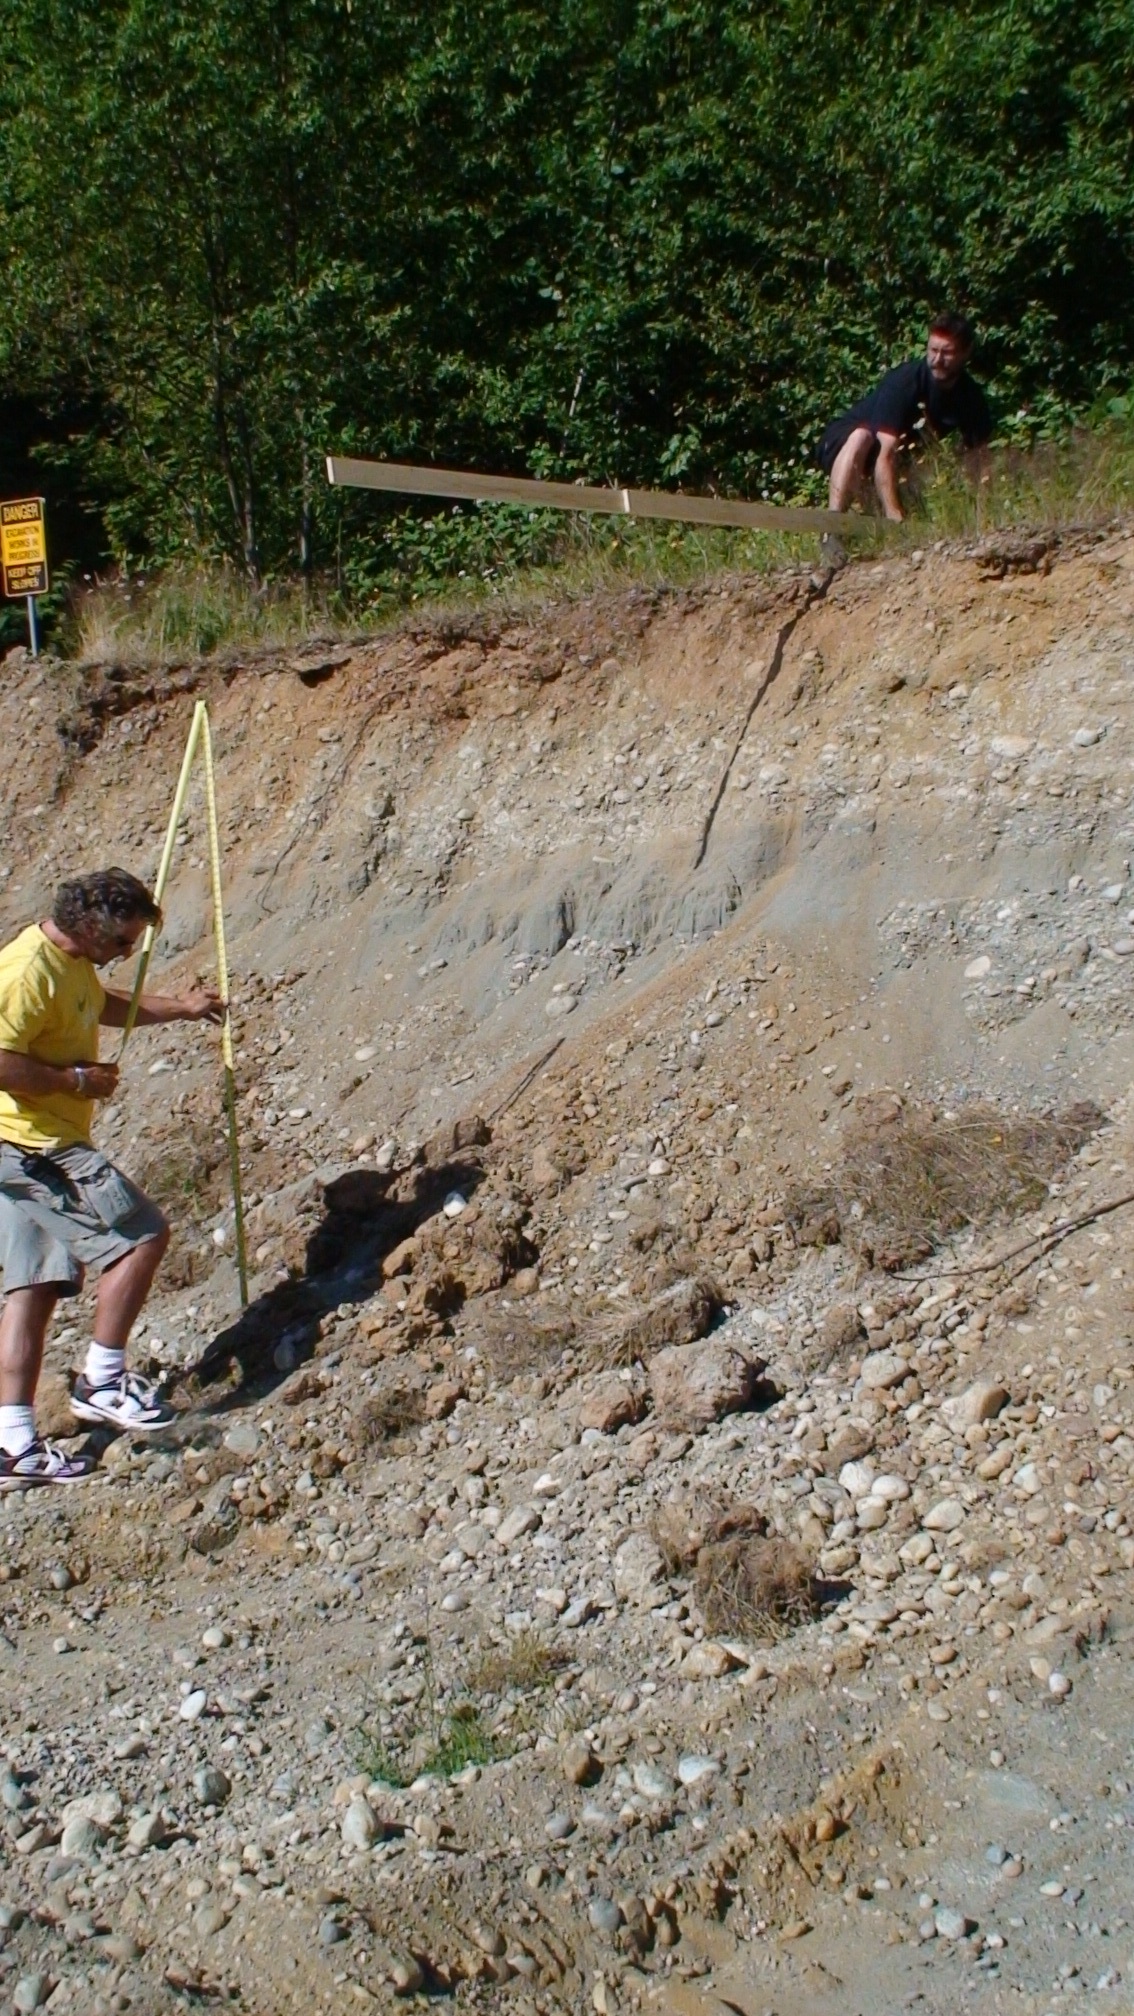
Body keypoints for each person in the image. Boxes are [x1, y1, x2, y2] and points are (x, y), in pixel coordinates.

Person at [0, 868, 222, 1488]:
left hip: (26, 1143)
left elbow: (103, 1004)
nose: (126, 953)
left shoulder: (70, 962)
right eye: (122, 942)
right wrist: (75, 1081)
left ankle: (14, 1445)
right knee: (141, 1235)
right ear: (89, 925)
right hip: (30, 1144)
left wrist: (181, 1008)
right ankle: (102, 1381)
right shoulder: (26, 973)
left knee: (34, 1287)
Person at [818, 312, 993, 522]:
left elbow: (979, 458)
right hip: (844, 442)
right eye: (933, 350)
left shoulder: (970, 396)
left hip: (895, 455)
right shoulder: (905, 382)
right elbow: (886, 454)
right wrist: (894, 516)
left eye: (947, 353)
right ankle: (832, 526)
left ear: (965, 352)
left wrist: (983, 513)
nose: (937, 360)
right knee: (862, 436)